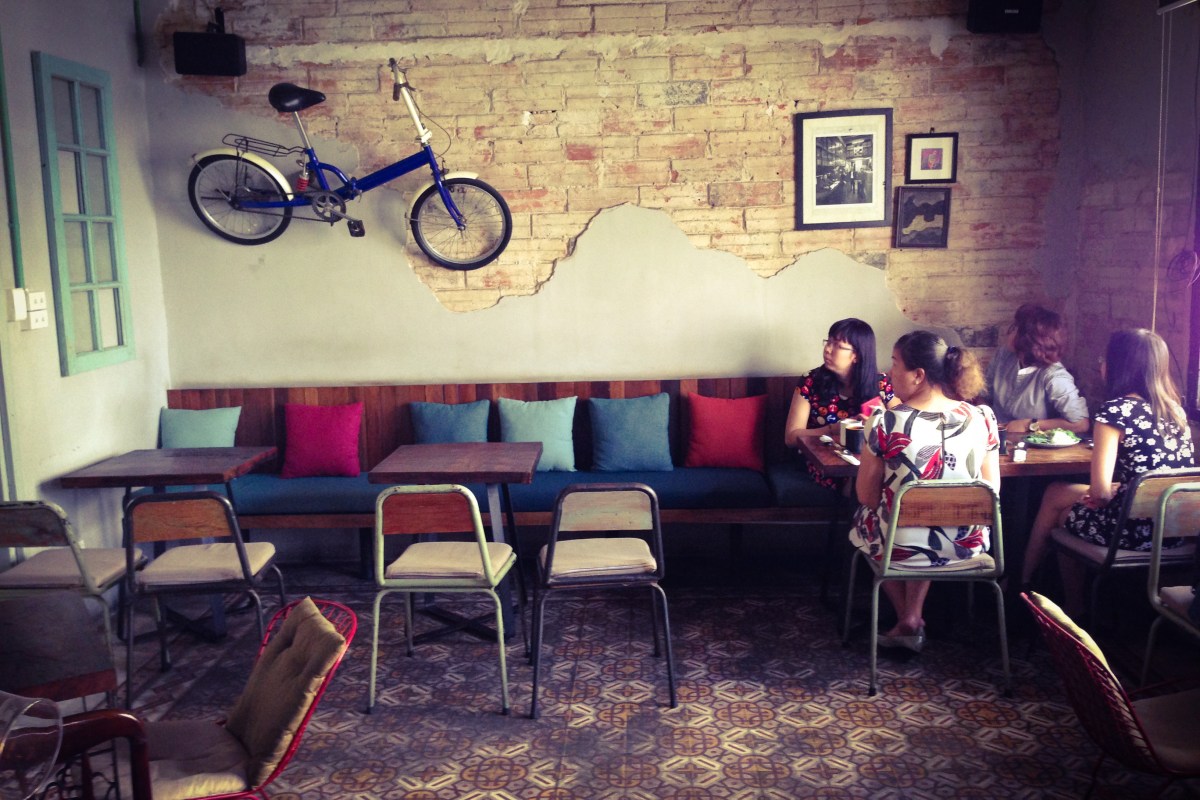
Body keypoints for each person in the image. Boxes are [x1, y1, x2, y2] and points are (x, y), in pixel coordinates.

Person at [1019, 328, 1194, 608]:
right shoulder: (1176, 411)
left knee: (1060, 508)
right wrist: (1118, 490)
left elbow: (1099, 493)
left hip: (1132, 532)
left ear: (1119, 366)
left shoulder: (1115, 412)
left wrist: (1107, 492)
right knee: (1058, 494)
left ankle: (1030, 588)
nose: (1101, 364)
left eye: (1104, 358)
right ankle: (1040, 591)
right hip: (1173, 532)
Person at [850, 330, 1000, 652]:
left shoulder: (885, 423)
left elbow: (867, 496)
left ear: (918, 375)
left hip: (900, 547)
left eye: (895, 364)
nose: (889, 372)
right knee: (926, 521)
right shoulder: (982, 418)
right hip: (967, 546)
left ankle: (908, 618)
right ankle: (911, 616)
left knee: (873, 518)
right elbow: (992, 491)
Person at [784, 318, 894, 449]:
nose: (827, 349)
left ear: (857, 356)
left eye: (838, 345)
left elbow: (901, 430)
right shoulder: (810, 380)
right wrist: (833, 429)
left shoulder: (881, 383)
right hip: (821, 458)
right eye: (828, 342)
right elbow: (790, 438)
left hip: (866, 458)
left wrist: (883, 421)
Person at [983, 303, 1089, 435]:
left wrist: (1029, 424)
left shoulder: (1054, 376)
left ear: (1027, 339)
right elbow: (984, 395)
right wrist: (984, 416)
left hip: (1031, 444)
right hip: (994, 438)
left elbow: (1081, 423)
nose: (1008, 332)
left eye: (1015, 328)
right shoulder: (1003, 355)